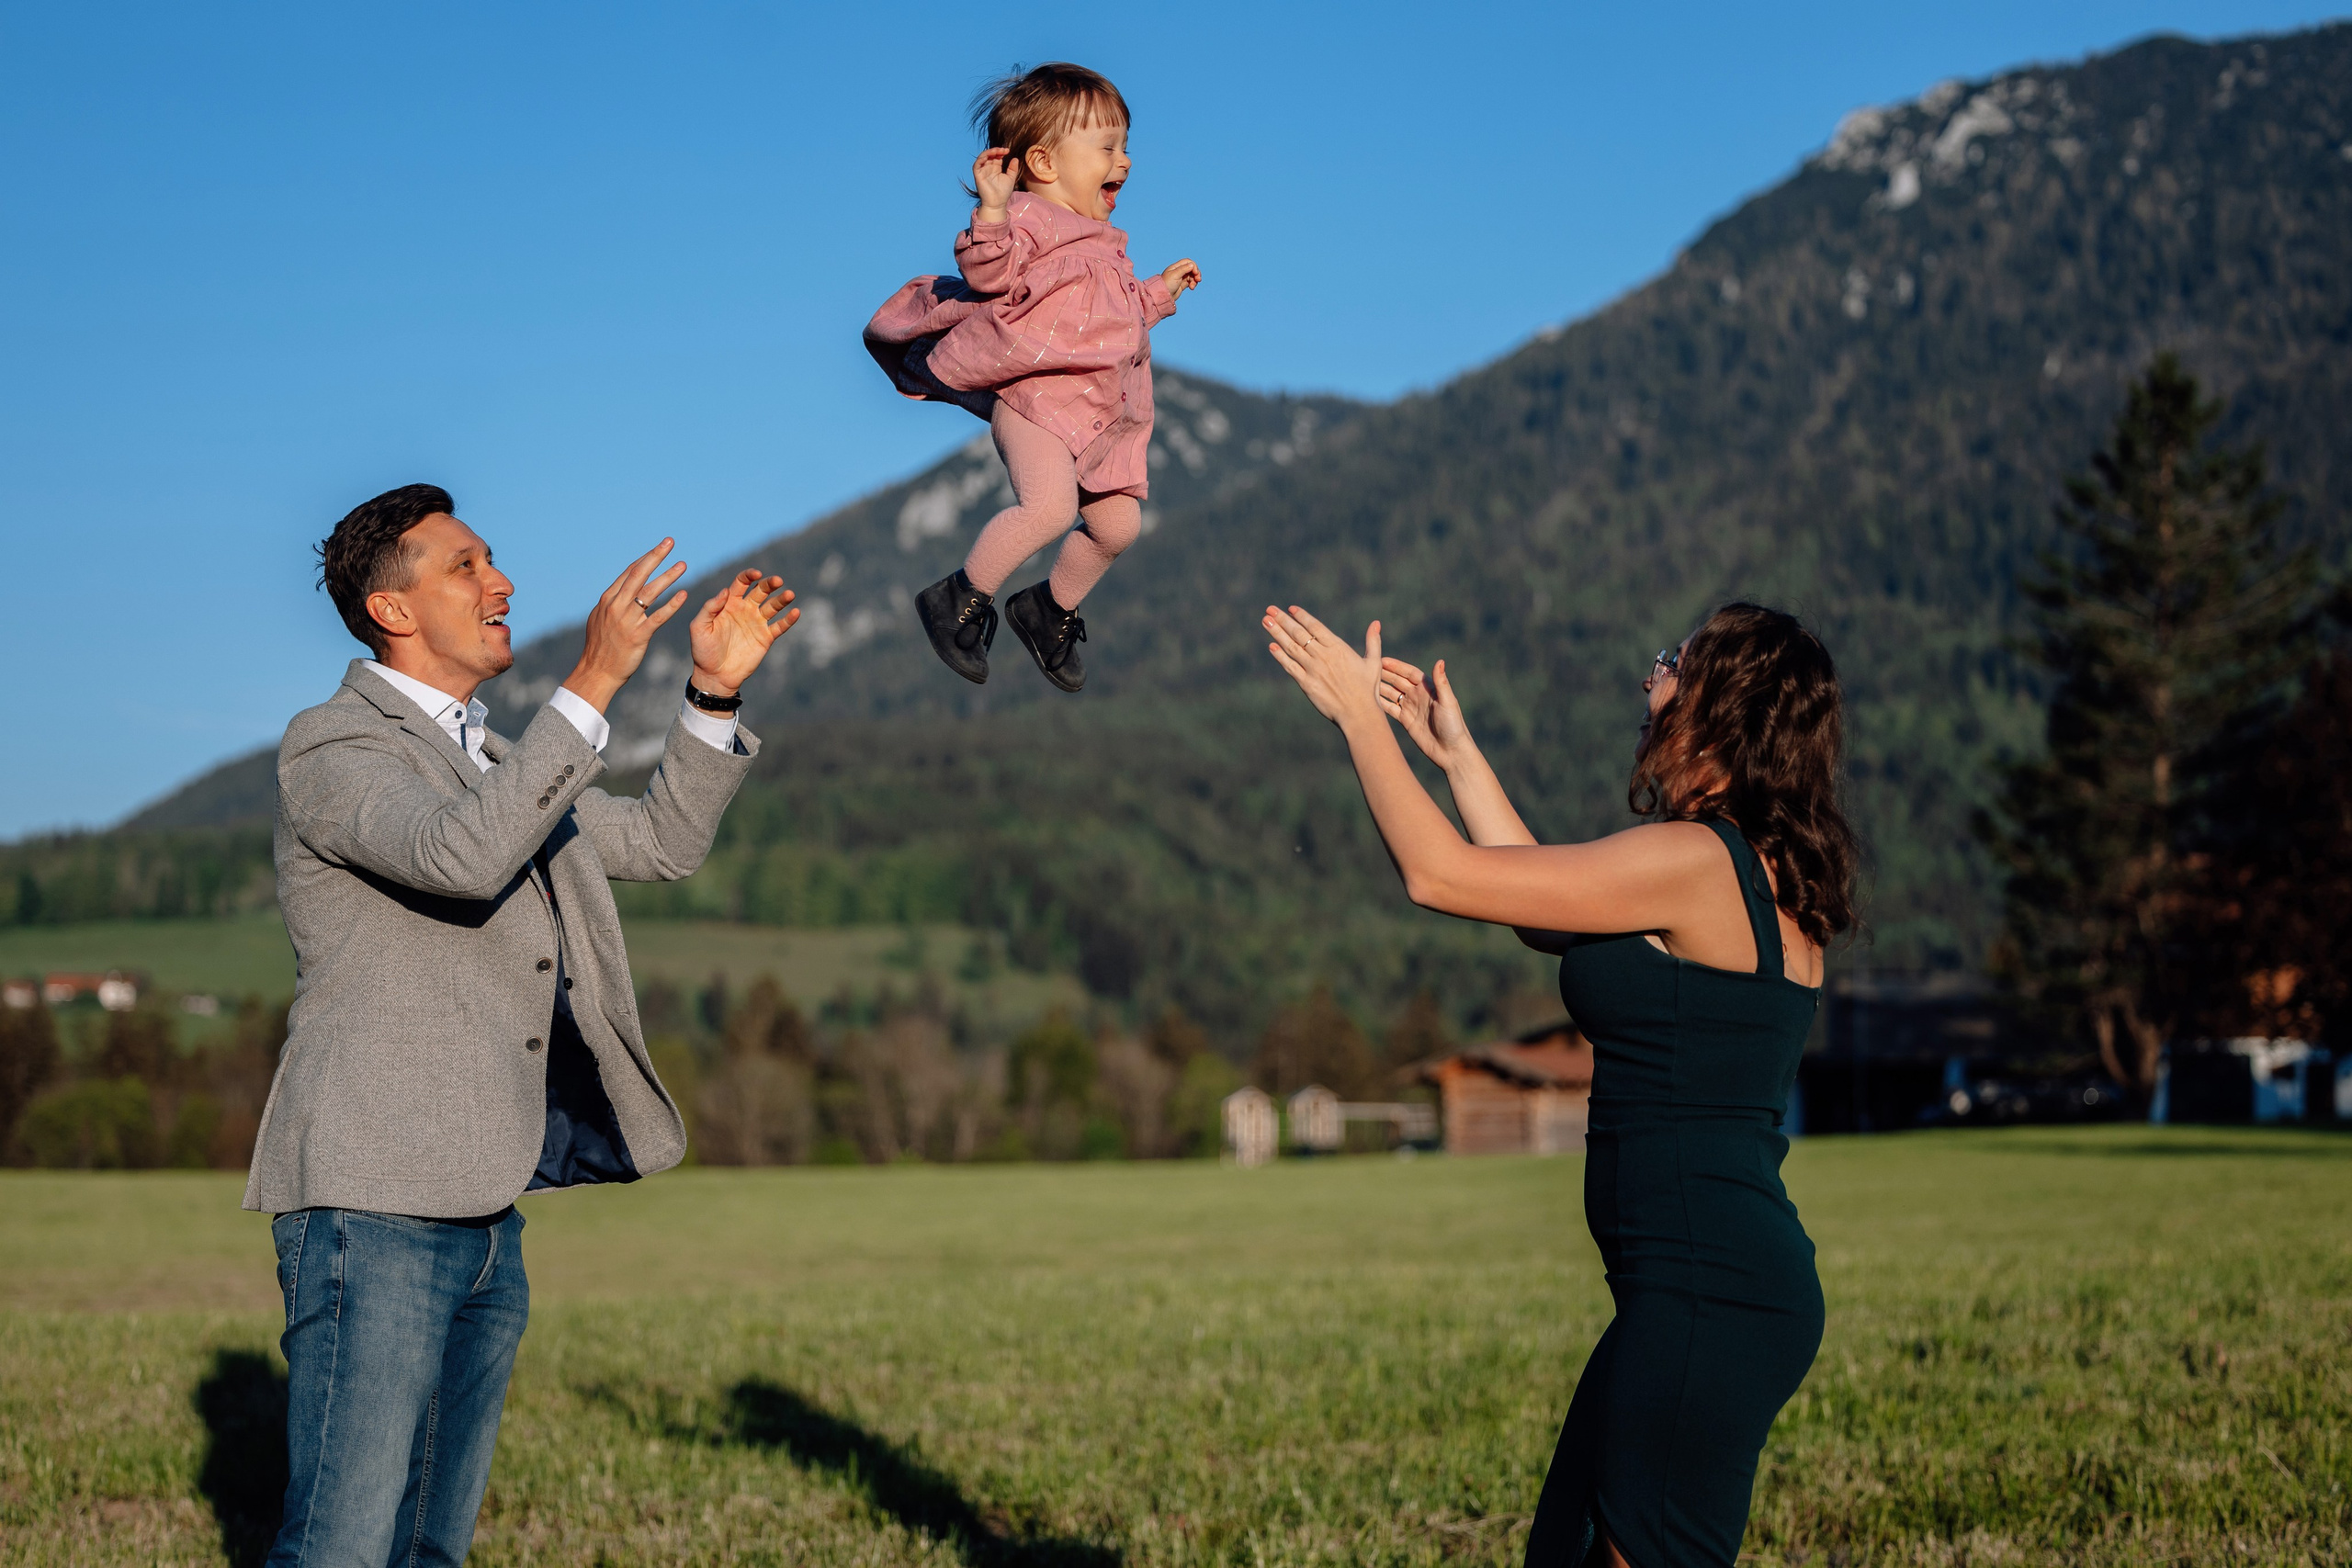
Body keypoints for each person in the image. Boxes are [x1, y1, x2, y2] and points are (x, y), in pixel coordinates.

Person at [244, 482, 798, 1566]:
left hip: (487, 1219)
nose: (501, 584)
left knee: (429, 1550)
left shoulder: (497, 762)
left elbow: (659, 844)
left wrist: (711, 696)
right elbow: (462, 855)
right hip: (371, 1206)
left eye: (493, 561)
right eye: (466, 567)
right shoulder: (329, 750)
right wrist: (592, 678)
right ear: (392, 609)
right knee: (343, 1549)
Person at [1261, 601, 1857, 1568]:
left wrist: (1359, 724)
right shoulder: (1750, 874)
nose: (1649, 677)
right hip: (1707, 1291)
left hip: (1705, 1295)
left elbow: (1438, 875)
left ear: (1723, 706)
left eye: (1675, 661)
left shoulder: (1698, 863)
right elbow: (1540, 906)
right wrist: (1455, 760)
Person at [865, 62, 1202, 692]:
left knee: (1117, 525)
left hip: (1097, 415)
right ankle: (959, 598)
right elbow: (989, 274)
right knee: (1049, 508)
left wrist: (1159, 292)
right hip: (1035, 401)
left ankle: (1048, 608)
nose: (1124, 161)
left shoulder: (1105, 244)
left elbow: (1112, 319)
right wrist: (992, 210)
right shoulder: (1031, 221)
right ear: (1045, 164)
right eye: (1107, 147)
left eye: (1125, 145)